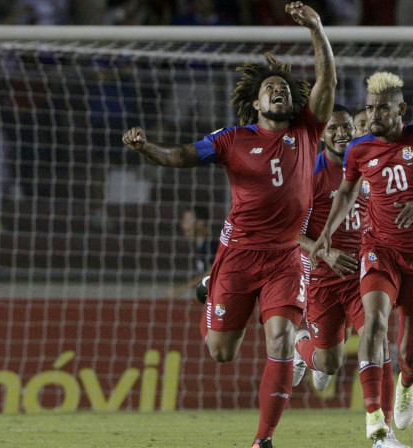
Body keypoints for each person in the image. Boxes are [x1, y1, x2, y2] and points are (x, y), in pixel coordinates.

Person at [122, 3, 335, 447]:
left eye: (283, 89)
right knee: (222, 353)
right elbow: (181, 156)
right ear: (255, 103)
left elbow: (326, 81)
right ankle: (209, 287)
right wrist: (148, 149)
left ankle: (263, 440)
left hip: (284, 257)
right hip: (237, 254)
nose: (278, 93)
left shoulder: (308, 129)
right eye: (270, 90)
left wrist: (316, 29)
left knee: (279, 341)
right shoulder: (233, 139)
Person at [311, 72, 413, 444]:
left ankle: (407, 383)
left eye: (382, 107)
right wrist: (326, 234)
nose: (374, 114)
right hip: (379, 250)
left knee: (410, 354)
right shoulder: (359, 149)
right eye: (370, 107)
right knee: (375, 325)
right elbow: (346, 193)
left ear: (401, 109)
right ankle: (374, 422)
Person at [293, 104, 408, 448]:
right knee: (329, 364)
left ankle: (382, 434)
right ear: (322, 136)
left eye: (346, 127)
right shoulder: (310, 175)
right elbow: (290, 231)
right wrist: (324, 251)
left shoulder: (367, 165)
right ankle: (301, 347)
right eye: (333, 129)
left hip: (364, 272)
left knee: (377, 335)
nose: (342, 133)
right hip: (323, 280)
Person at [167, 206, 219, 300]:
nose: (183, 224)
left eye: (187, 220)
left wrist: (180, 290)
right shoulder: (202, 246)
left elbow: (211, 273)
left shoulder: (212, 246)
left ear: (200, 223)